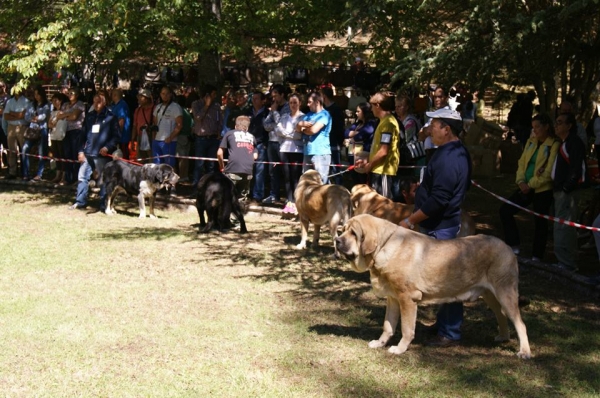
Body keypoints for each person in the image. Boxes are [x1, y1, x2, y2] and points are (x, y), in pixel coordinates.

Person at [399, 108, 472, 347]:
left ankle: (451, 332)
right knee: (442, 279)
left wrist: (411, 220)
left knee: (448, 279)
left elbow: (440, 199)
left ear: (446, 129)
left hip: (441, 228)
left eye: (434, 124)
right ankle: (444, 324)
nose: (429, 128)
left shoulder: (451, 158)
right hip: (440, 225)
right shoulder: (452, 152)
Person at [499, 113, 560, 262]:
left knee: (540, 221)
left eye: (538, 127)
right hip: (525, 185)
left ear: (546, 127)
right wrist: (520, 181)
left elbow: (549, 171)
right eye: (533, 127)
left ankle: (537, 255)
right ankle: (513, 245)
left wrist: (531, 185)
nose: (535, 130)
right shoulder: (531, 142)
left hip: (542, 189)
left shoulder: (554, 144)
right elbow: (522, 162)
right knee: (505, 210)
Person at [69, 92, 120, 210]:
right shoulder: (90, 116)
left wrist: (107, 147)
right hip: (88, 153)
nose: (96, 104)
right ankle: (80, 201)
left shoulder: (111, 117)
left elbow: (116, 136)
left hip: (102, 154)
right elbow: (82, 135)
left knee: (104, 179)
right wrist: (80, 151)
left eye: (99, 102)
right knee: (82, 176)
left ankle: (104, 205)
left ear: (104, 102)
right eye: (94, 102)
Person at [552, 112, 587, 272]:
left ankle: (567, 262)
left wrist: (567, 188)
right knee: (561, 226)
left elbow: (576, 168)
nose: (556, 125)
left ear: (569, 125)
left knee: (564, 226)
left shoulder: (574, 143)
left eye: (560, 122)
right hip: (560, 191)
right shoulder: (564, 143)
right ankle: (564, 260)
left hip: (567, 193)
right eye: (556, 122)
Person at [355, 91, 400, 199]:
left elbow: (384, 151)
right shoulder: (383, 121)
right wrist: (368, 161)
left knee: (383, 207)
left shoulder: (388, 123)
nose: (371, 109)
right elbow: (378, 149)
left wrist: (369, 166)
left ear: (378, 105)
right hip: (378, 170)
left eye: (372, 106)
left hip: (383, 171)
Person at [275, 93, 304, 214]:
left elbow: (300, 135)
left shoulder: (303, 117)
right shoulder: (284, 116)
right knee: (286, 177)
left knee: (295, 176)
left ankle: (297, 202)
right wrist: (291, 134)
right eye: (291, 103)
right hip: (284, 149)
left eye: (295, 103)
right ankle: (289, 201)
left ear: (299, 103)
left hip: (297, 150)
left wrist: (287, 133)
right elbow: (278, 131)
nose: (293, 105)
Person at [217, 115, 257, 200]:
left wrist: (222, 167)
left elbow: (219, 153)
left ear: (235, 126)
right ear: (247, 128)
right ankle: (240, 211)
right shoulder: (252, 137)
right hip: (248, 171)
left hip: (232, 169)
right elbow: (255, 156)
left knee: (226, 196)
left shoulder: (229, 134)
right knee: (241, 198)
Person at [296, 92, 332, 184]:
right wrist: (300, 125)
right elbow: (297, 128)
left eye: (309, 102)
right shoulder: (308, 115)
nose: (307, 105)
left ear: (317, 102)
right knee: (306, 182)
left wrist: (303, 127)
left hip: (321, 153)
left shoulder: (325, 114)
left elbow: (313, 130)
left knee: (321, 182)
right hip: (307, 152)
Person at [191, 84, 221, 190]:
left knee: (211, 165)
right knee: (199, 164)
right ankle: (195, 188)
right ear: (207, 95)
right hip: (201, 139)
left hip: (213, 139)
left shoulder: (217, 105)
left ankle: (210, 189)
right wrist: (206, 106)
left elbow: (219, 120)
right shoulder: (196, 104)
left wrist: (219, 132)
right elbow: (198, 117)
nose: (215, 96)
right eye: (213, 94)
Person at [263, 85, 289, 204]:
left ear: (282, 94)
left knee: (286, 170)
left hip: (283, 143)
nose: (274, 99)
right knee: (272, 170)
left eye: (276, 95)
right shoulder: (273, 107)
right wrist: (273, 115)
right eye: (272, 96)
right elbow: (266, 125)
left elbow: (282, 125)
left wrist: (274, 112)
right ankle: (274, 195)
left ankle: (289, 196)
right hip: (271, 142)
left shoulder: (288, 107)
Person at [56, 87, 85, 184]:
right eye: (69, 93)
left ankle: (77, 178)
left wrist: (65, 115)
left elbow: (74, 117)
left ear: (77, 94)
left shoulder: (80, 104)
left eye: (72, 93)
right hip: (65, 131)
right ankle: (68, 178)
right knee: (67, 155)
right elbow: (59, 116)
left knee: (75, 154)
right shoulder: (65, 104)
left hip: (76, 131)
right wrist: (68, 114)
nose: (70, 94)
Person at [22, 86, 51, 181]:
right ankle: (26, 173)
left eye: (38, 94)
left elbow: (44, 116)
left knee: (42, 152)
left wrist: (36, 118)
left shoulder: (48, 104)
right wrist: (32, 119)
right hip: (32, 130)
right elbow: (26, 116)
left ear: (42, 94)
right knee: (25, 149)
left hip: (42, 129)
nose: (36, 96)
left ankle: (39, 174)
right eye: (35, 94)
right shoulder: (31, 104)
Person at [344, 102, 377, 185]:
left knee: (363, 183)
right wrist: (354, 134)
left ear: (365, 112)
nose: (356, 113)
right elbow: (346, 133)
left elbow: (362, 135)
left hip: (362, 159)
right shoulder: (358, 123)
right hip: (353, 158)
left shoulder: (371, 123)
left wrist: (353, 135)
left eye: (358, 111)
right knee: (355, 182)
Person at [2, 86, 31, 179]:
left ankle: (25, 172)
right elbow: (6, 116)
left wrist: (12, 113)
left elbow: (23, 115)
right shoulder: (9, 102)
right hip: (11, 127)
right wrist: (18, 115)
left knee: (24, 150)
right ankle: (12, 172)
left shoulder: (26, 101)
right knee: (12, 151)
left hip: (22, 127)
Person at [247, 91, 269, 203]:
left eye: (256, 98)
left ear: (262, 100)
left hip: (261, 144)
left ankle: (257, 196)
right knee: (248, 170)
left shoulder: (267, 113)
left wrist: (265, 144)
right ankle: (247, 194)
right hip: (247, 144)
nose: (254, 100)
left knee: (259, 171)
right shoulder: (247, 112)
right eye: (253, 98)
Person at [153, 85, 182, 167]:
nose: (165, 96)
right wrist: (154, 138)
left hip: (169, 141)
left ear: (170, 94)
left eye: (167, 94)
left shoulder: (176, 107)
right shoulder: (158, 107)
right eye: (163, 94)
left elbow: (179, 125)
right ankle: (158, 180)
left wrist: (170, 138)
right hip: (157, 140)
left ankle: (170, 180)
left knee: (169, 165)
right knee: (157, 165)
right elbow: (155, 122)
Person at [321, 87, 345, 185]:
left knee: (336, 171)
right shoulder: (322, 110)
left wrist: (340, 142)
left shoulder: (337, 110)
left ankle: (340, 192)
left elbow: (340, 128)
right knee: (325, 172)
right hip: (323, 145)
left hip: (334, 144)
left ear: (324, 96)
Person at [48, 92, 69, 183]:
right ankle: (57, 175)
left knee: (62, 155)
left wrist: (56, 119)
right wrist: (54, 122)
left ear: (60, 101)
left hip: (62, 136)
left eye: (56, 100)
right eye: (52, 101)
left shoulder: (64, 111)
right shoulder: (52, 112)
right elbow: (49, 124)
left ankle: (64, 176)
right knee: (56, 156)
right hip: (54, 136)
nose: (54, 102)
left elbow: (60, 119)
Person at [131, 88, 154, 163]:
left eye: (141, 97)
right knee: (140, 160)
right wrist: (132, 140)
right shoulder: (137, 110)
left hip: (151, 137)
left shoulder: (155, 109)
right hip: (140, 138)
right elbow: (135, 125)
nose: (139, 99)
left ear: (147, 99)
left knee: (151, 159)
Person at [175, 95, 193, 182]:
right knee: (186, 157)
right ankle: (185, 175)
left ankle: (181, 176)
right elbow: (192, 125)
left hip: (180, 136)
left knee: (181, 158)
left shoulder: (179, 112)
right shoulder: (187, 112)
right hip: (187, 136)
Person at [111, 88, 132, 160]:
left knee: (123, 157)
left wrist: (117, 136)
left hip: (122, 137)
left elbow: (121, 122)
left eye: (112, 95)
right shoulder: (114, 105)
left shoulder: (122, 105)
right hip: (117, 136)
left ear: (115, 95)